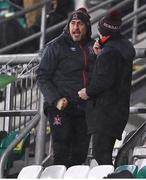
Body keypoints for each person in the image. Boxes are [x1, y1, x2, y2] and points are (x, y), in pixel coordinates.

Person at [36, 7, 96, 167]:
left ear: (87, 27)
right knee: (62, 154)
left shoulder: (93, 46)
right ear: (68, 26)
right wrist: (55, 100)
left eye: (80, 24)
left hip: (84, 109)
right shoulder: (56, 46)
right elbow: (42, 75)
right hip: (61, 109)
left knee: (79, 155)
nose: (76, 28)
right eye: (73, 23)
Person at [78, 9, 135, 165]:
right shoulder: (122, 47)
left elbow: (104, 79)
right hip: (117, 110)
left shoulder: (109, 52)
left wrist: (87, 92)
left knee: (100, 153)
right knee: (104, 153)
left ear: (102, 30)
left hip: (105, 111)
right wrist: (100, 55)